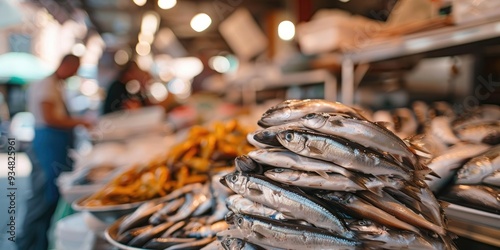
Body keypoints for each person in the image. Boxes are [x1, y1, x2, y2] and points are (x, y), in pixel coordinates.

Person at [17, 54, 92, 250]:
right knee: (42, 197)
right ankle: (27, 242)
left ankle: (38, 242)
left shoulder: (56, 84)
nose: (75, 73)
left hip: (54, 144)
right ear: (66, 64)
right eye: (75, 68)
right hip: (47, 145)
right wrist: (80, 121)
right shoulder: (47, 84)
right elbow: (49, 118)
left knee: (49, 197)